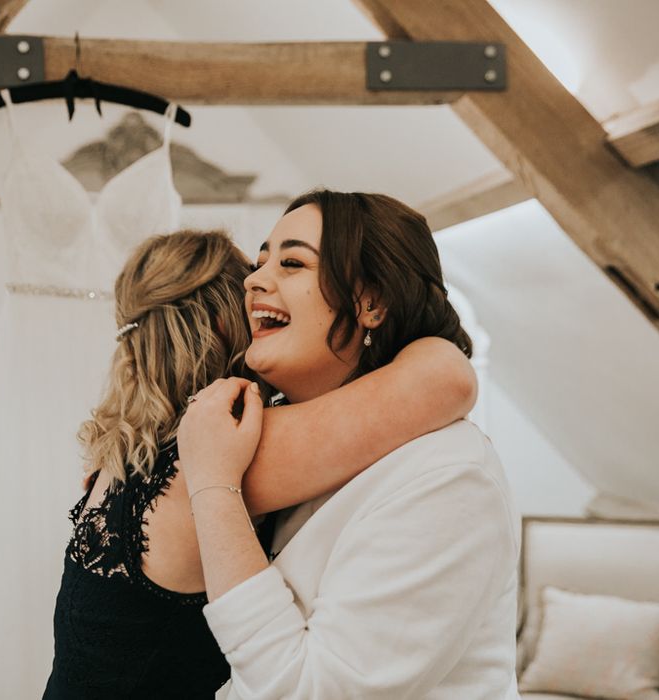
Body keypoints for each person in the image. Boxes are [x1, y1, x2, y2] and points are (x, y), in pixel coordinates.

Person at [42, 226, 477, 699]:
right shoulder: (224, 445)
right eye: (252, 278)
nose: (260, 289)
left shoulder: (127, 455)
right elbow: (445, 380)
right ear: (229, 322)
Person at [178, 190, 521, 699]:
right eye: (260, 260)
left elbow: (312, 692)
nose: (253, 279)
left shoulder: (448, 476)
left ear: (372, 303)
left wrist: (213, 489)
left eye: (292, 262)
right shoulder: (281, 444)